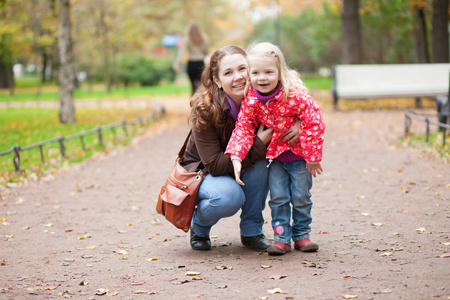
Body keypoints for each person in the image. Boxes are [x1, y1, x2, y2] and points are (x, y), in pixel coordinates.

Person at [181, 45, 301, 251]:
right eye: (228, 73)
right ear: (217, 80)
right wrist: (257, 144)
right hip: (208, 172)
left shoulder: (264, 97)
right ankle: (199, 227)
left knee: (263, 165)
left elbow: (300, 103)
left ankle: (251, 231)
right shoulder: (205, 109)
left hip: (243, 164)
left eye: (242, 69)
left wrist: (299, 123)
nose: (238, 77)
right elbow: (216, 165)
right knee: (229, 196)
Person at [225, 42, 325, 256]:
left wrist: (313, 156)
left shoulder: (294, 95)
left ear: (280, 72)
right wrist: (236, 155)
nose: (262, 78)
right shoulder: (251, 100)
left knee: (301, 197)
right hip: (276, 159)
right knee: (278, 198)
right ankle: (281, 237)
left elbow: (314, 119)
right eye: (256, 72)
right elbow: (243, 127)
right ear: (250, 74)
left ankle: (302, 235)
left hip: (299, 158)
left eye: (269, 72)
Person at [173, 20, 209, 95]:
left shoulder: (187, 38)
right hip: (200, 63)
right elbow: (206, 51)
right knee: (200, 85)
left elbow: (181, 51)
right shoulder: (204, 37)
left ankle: (193, 101)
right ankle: (201, 101)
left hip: (191, 63)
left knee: (193, 85)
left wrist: (177, 63)